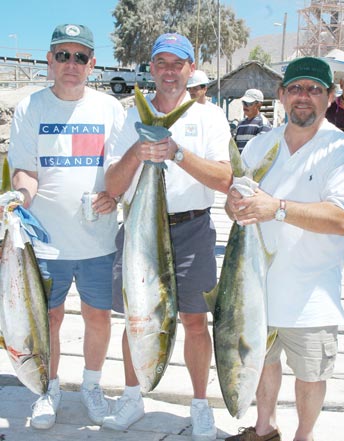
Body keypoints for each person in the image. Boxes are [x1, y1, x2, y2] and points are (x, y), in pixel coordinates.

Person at [103, 33, 232, 441]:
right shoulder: (130, 117)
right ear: (152, 69)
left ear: (191, 69)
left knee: (195, 321)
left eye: (178, 63)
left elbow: (226, 179)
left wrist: (176, 152)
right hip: (141, 229)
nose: (170, 71)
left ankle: (199, 405)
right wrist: (136, 152)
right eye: (162, 63)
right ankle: (131, 396)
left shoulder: (208, 117)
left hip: (193, 229)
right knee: (136, 318)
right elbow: (112, 185)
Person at [224, 57, 344, 441]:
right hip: (258, 289)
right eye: (296, 88)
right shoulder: (260, 145)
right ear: (281, 95)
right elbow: (236, 200)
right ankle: (264, 429)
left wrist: (277, 208)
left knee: (310, 374)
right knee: (264, 363)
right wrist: (232, 204)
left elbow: (341, 218)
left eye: (315, 90)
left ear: (330, 97)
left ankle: (304, 436)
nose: (305, 97)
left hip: (312, 292)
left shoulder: (343, 149)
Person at [8, 24, 125, 430]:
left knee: (98, 315)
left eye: (80, 57)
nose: (71, 64)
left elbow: (120, 168)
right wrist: (17, 201)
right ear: (49, 61)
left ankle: (92, 386)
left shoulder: (110, 108)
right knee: (49, 318)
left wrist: (117, 192)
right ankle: (48, 388)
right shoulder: (31, 108)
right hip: (44, 244)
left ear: (92, 64)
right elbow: (25, 172)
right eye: (63, 55)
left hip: (99, 239)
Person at [234, 88, 272, 153]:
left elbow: (261, 149)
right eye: (244, 103)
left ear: (259, 104)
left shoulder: (263, 124)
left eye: (249, 103)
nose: (245, 106)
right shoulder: (241, 124)